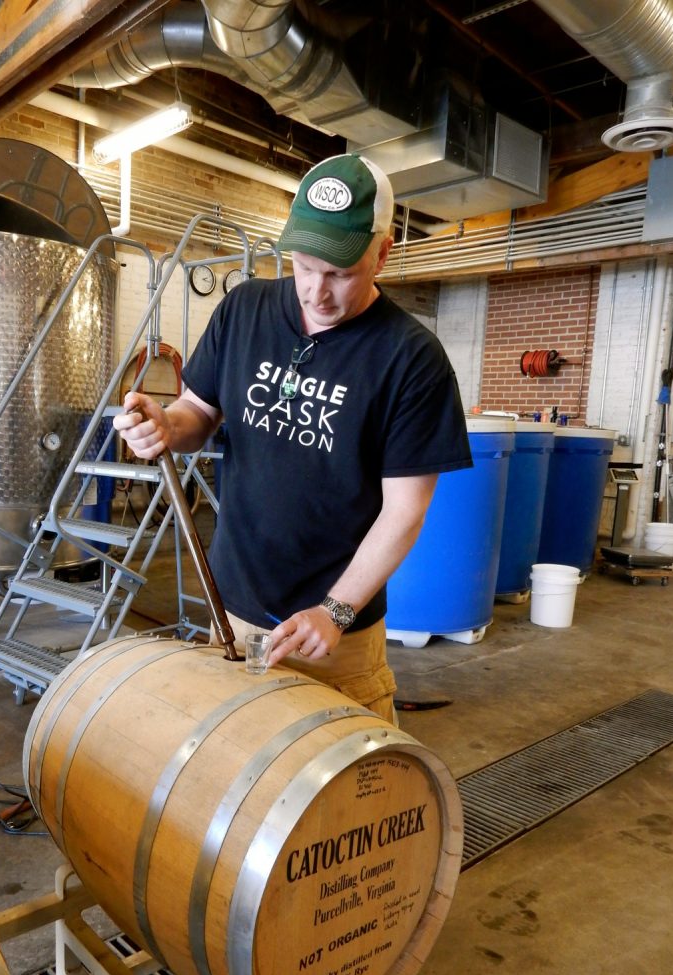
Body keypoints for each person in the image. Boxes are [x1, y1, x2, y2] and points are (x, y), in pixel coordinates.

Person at [114, 153, 472, 724]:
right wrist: (164, 424)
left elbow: (405, 512)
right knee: (232, 771)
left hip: (335, 632)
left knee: (348, 784)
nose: (316, 292)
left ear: (382, 252)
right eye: (304, 266)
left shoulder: (411, 360)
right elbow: (197, 413)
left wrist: (335, 611)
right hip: (230, 608)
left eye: (340, 273)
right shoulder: (243, 311)